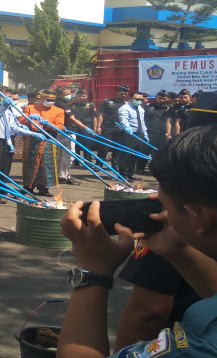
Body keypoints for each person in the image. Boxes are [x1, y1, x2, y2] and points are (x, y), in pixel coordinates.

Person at [57, 124, 217, 357]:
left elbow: (148, 310)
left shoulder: (202, 342)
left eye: (165, 203)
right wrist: (179, 252)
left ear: (199, 217)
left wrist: (93, 272)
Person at [0, 86, 45, 204]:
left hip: (6, 141)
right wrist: (4, 106)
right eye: (7, 97)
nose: (11, 100)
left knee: (4, 170)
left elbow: (13, 128)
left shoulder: (8, 110)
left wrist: (32, 133)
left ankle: (0, 190)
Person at [20, 89, 64, 196]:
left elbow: (60, 126)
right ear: (42, 99)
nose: (51, 101)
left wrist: (48, 125)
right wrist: (28, 118)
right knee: (30, 161)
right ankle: (27, 187)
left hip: (49, 137)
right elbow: (21, 121)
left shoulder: (59, 111)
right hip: (33, 136)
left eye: (53, 100)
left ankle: (43, 188)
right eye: (48, 99)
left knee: (47, 163)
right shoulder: (30, 108)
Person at [54, 86, 94, 185]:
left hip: (61, 131)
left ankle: (58, 175)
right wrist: (85, 128)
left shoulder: (58, 103)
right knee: (69, 155)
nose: (69, 95)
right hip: (68, 131)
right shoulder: (63, 105)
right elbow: (72, 119)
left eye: (69, 93)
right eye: (66, 94)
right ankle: (64, 177)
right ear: (59, 95)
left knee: (61, 155)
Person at [117, 92, 148, 182]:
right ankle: (123, 175)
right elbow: (123, 119)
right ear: (131, 99)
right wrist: (127, 127)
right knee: (126, 155)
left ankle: (130, 174)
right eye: (137, 99)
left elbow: (142, 122)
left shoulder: (141, 109)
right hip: (128, 134)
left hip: (138, 133)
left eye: (141, 100)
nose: (139, 101)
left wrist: (145, 133)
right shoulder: (125, 108)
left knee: (134, 156)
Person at [136, 89, 169, 172]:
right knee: (144, 151)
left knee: (158, 153)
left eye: (164, 98)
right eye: (160, 98)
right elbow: (142, 119)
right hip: (148, 133)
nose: (162, 100)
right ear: (156, 97)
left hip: (161, 134)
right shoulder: (149, 107)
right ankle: (140, 168)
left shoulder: (168, 108)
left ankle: (155, 169)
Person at [96, 84, 128, 169]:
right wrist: (98, 126)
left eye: (125, 94)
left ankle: (115, 165)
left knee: (117, 148)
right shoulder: (107, 102)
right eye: (122, 93)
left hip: (120, 129)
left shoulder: (127, 104)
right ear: (117, 92)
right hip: (107, 128)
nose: (123, 95)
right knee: (104, 147)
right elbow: (101, 115)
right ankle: (99, 164)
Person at [70, 89, 97, 165]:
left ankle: (88, 161)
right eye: (79, 96)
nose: (81, 97)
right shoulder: (72, 105)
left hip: (86, 126)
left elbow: (94, 117)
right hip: (75, 126)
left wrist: (95, 128)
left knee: (87, 144)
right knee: (75, 144)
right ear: (76, 96)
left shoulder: (90, 105)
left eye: (83, 96)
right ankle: (76, 161)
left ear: (86, 96)